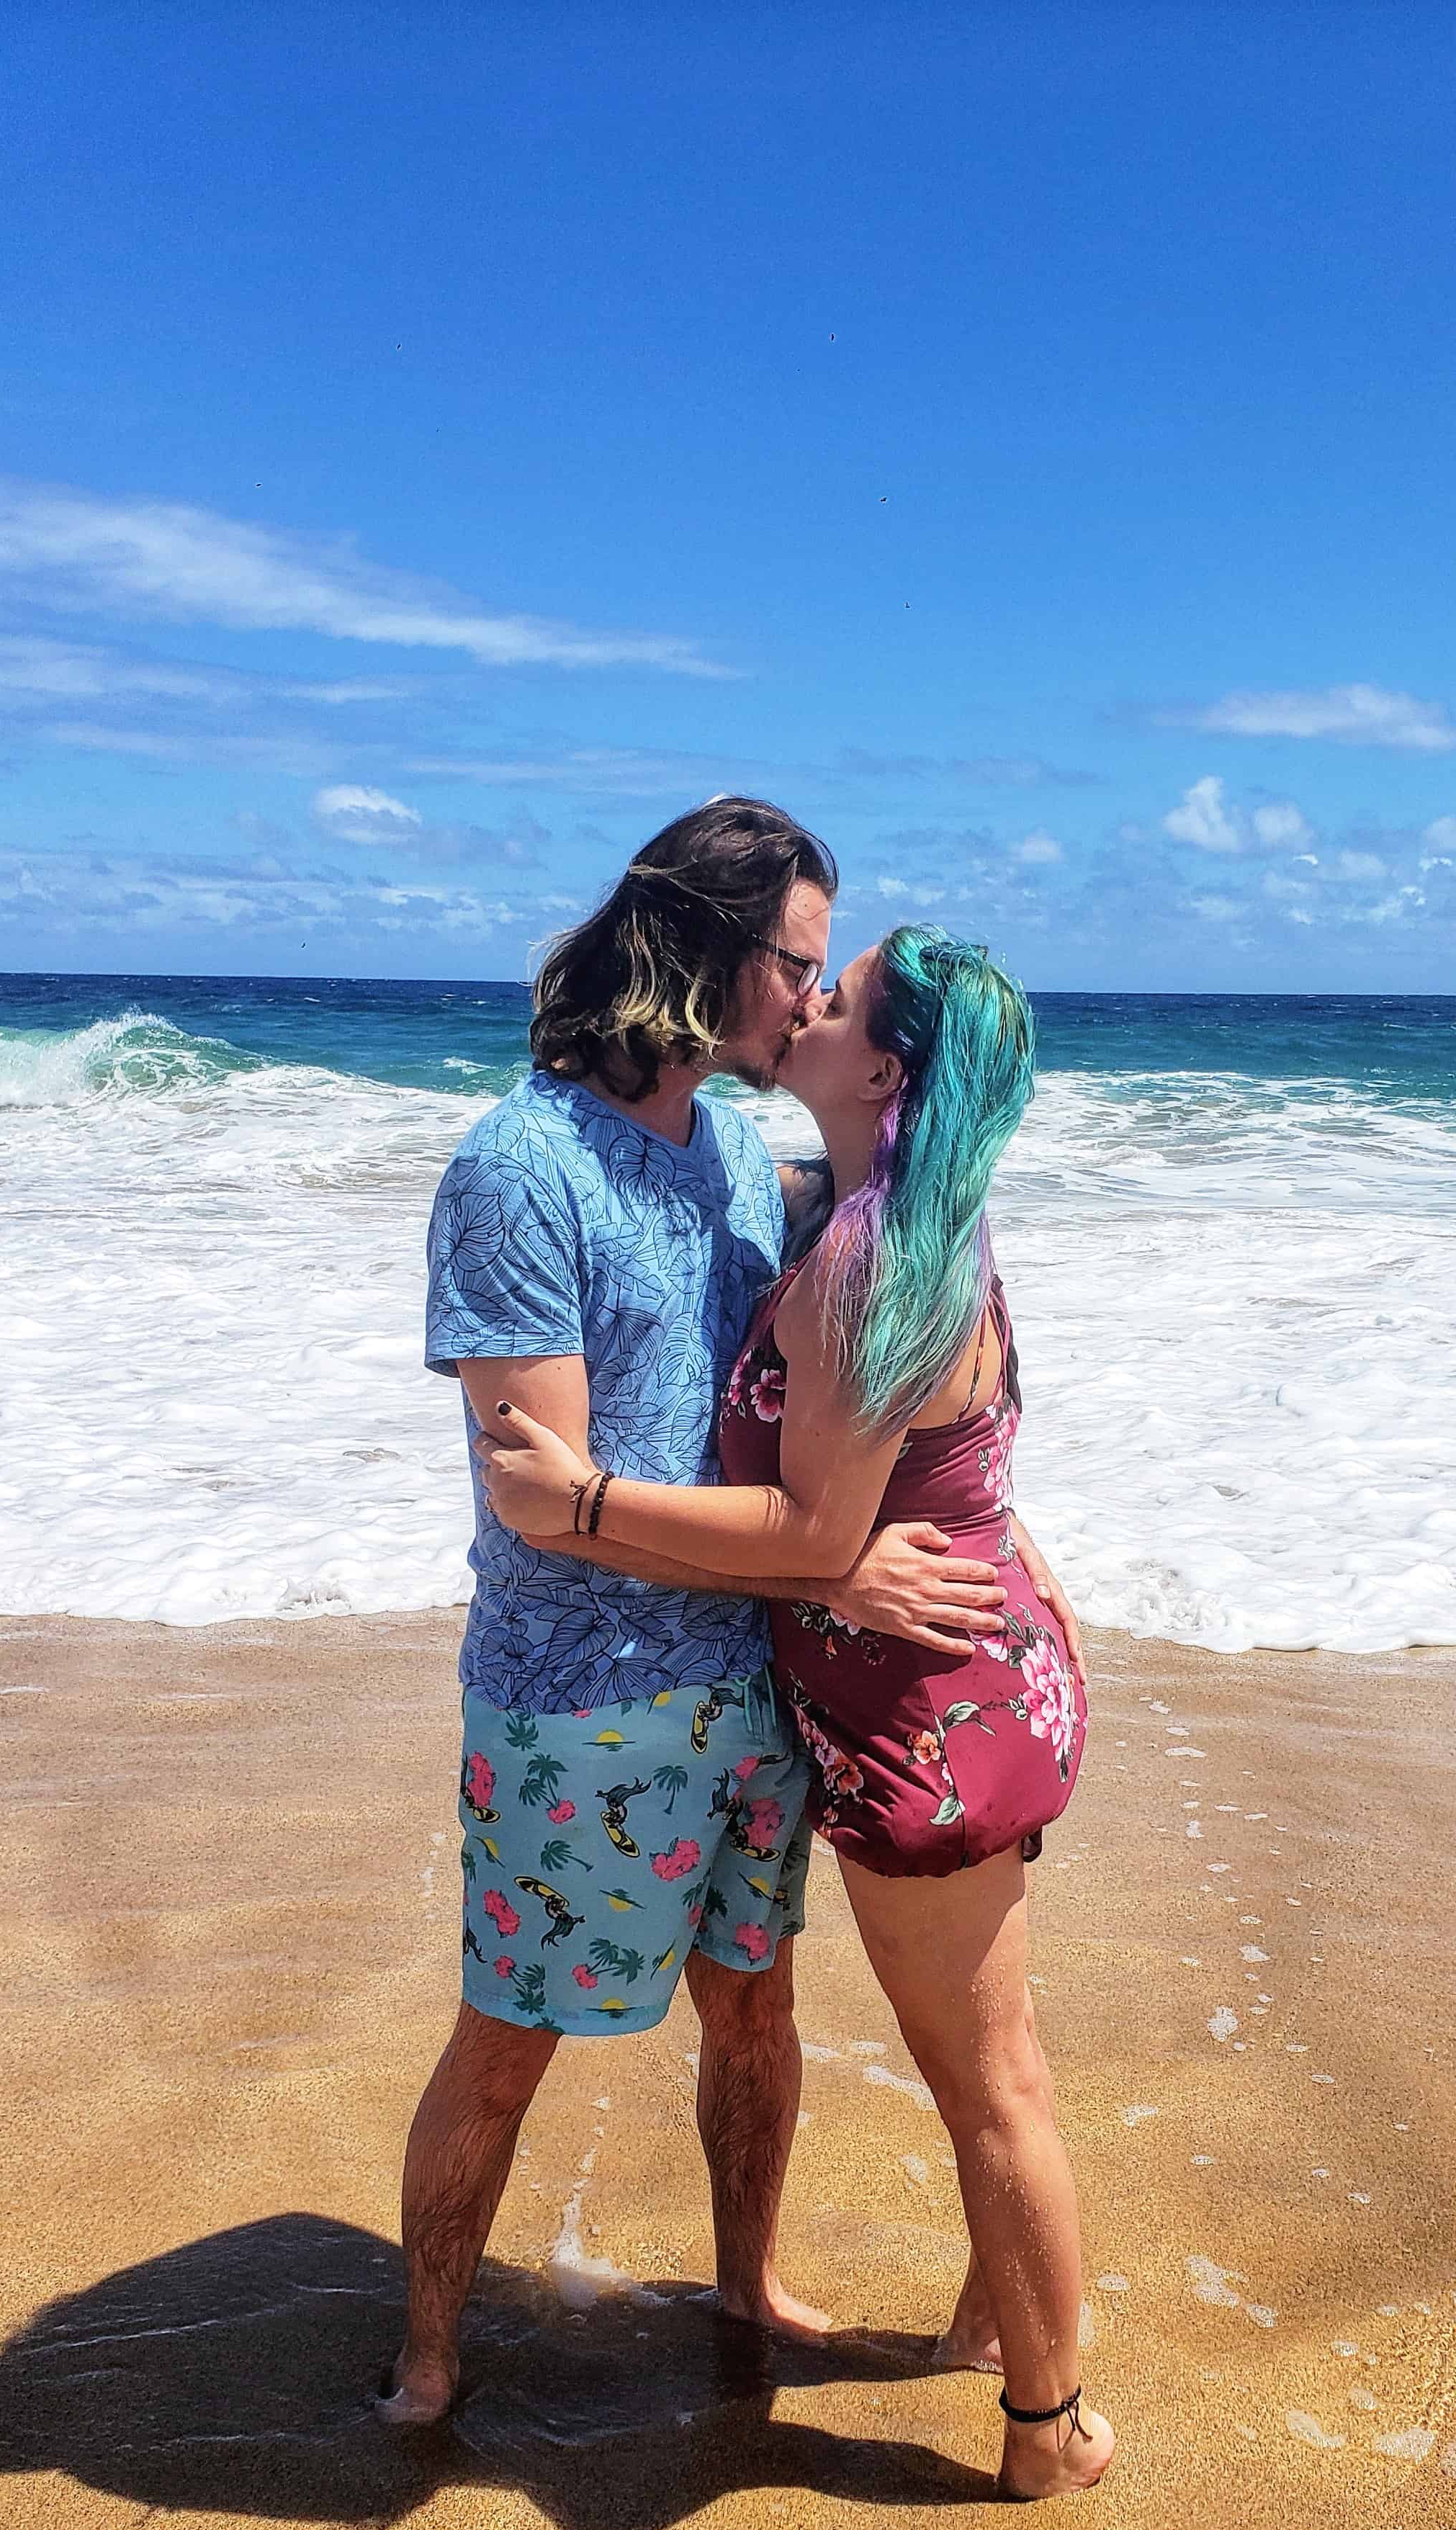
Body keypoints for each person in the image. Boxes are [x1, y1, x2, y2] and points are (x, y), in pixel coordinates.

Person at [382, 800, 1073, 2433]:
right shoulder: (517, 1167)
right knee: (506, 2040)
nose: (811, 1004)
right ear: (703, 944)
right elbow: (536, 1499)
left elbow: (881, 1367)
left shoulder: (734, 1163)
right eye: (797, 965)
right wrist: (831, 1568)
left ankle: (747, 2278)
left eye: (831, 981)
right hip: (579, 1693)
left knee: (755, 2014)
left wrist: (983, 1547)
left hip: (758, 1691)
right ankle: (424, 2349)